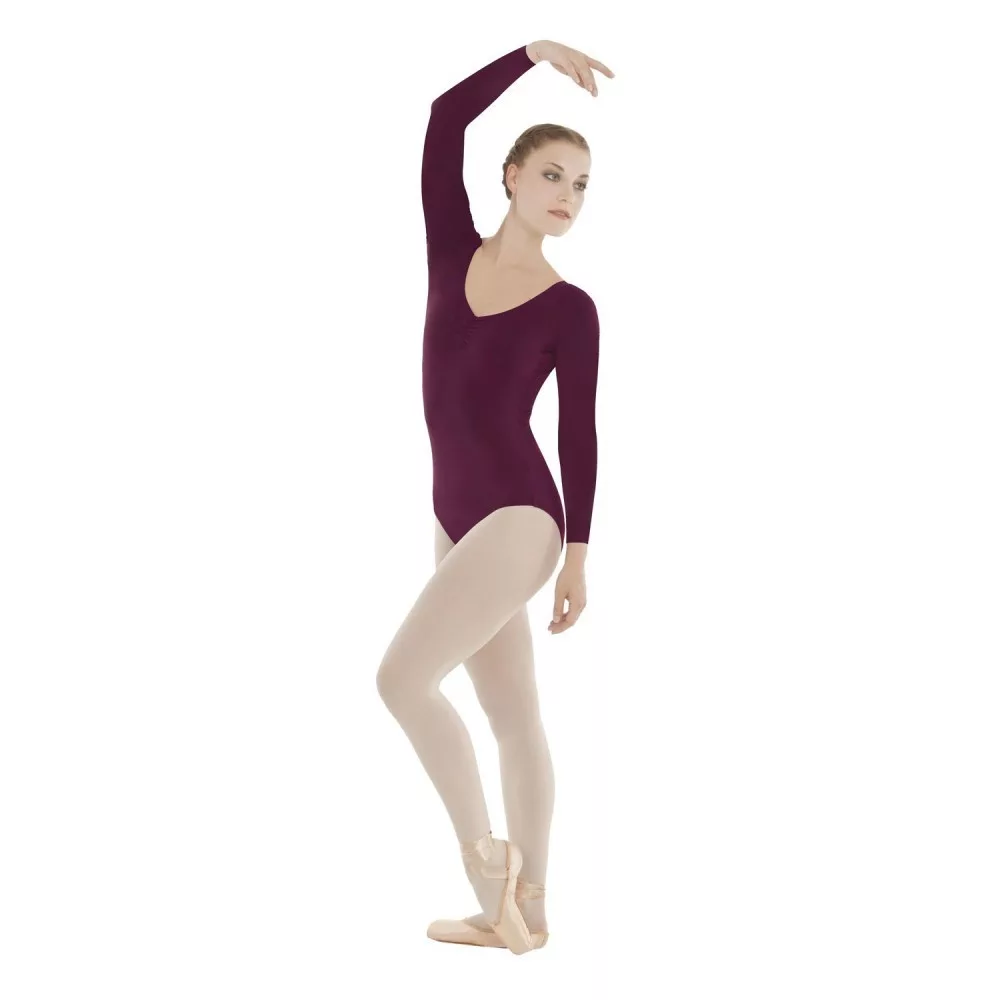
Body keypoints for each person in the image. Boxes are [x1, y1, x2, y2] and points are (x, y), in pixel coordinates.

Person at [375, 39, 614, 955]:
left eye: (582, 185)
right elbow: (445, 121)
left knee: (402, 680)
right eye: (553, 174)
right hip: (455, 520)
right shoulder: (451, 249)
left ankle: (489, 871)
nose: (567, 195)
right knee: (513, 715)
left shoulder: (571, 308)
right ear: (511, 177)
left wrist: (579, 554)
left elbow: (579, 433)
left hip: (522, 518)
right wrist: (530, 53)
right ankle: (529, 911)